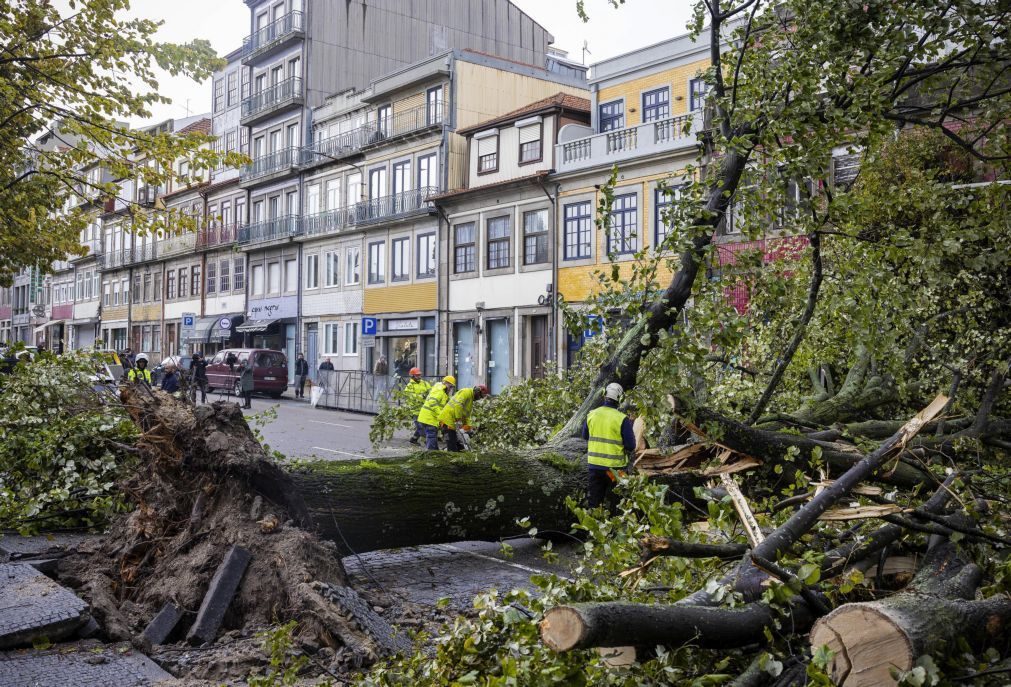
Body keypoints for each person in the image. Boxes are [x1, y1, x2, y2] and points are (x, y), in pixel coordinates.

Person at [582, 382, 636, 509]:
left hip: (594, 467)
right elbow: (631, 445)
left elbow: (585, 436)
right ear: (620, 399)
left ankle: (593, 527)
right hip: (615, 471)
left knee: (594, 503)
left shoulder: (591, 414)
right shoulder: (621, 419)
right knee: (616, 503)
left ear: (604, 395)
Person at [438, 384, 488, 452]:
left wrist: (468, 427)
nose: (479, 398)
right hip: (447, 420)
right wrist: (459, 420)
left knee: (459, 446)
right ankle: (447, 457)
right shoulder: (466, 392)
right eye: (479, 396)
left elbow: (466, 416)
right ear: (477, 391)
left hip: (453, 422)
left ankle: (446, 452)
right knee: (452, 445)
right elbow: (458, 405)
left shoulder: (470, 401)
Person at [416, 376, 455, 450]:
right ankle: (431, 456)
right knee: (431, 437)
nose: (451, 389)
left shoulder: (442, 391)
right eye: (450, 386)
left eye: (452, 387)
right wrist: (441, 415)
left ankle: (435, 453)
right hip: (429, 419)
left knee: (433, 438)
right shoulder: (440, 390)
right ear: (446, 383)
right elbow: (432, 402)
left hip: (429, 418)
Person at [404, 367, 432, 445]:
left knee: (422, 425)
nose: (419, 376)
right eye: (417, 375)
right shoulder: (410, 385)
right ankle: (427, 439)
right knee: (420, 426)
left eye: (419, 375)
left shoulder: (424, 383)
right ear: (412, 376)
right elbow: (409, 396)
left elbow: (430, 391)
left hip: (423, 408)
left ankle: (414, 439)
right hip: (414, 409)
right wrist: (421, 396)